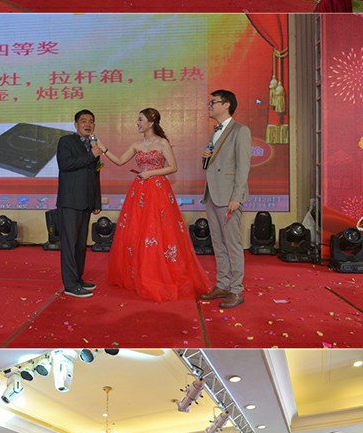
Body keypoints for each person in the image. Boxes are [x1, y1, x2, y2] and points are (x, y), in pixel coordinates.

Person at [100, 108, 208, 303]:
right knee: (138, 229)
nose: (137, 123)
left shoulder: (162, 143)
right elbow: (120, 161)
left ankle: (159, 273)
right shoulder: (136, 144)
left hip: (158, 190)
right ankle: (139, 273)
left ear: (151, 122)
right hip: (139, 191)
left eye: (140, 119)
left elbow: (173, 167)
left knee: (159, 229)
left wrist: (150, 173)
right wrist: (103, 149)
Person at [200, 89, 252, 309]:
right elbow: (214, 165)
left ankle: (236, 290)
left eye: (213, 102)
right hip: (212, 194)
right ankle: (222, 284)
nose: (209, 106)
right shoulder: (215, 131)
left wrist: (237, 197)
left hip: (229, 196)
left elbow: (243, 166)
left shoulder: (240, 131)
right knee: (218, 243)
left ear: (226, 104)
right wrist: (206, 159)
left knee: (232, 244)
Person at [56, 110, 101, 297]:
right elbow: (65, 164)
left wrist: (96, 200)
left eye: (91, 121)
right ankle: (70, 285)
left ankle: (78, 279)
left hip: (86, 202)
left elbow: (95, 175)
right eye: (83, 121)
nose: (88, 124)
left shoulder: (93, 145)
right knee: (69, 244)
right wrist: (91, 155)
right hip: (70, 201)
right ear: (76, 125)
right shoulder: (66, 141)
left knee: (81, 245)